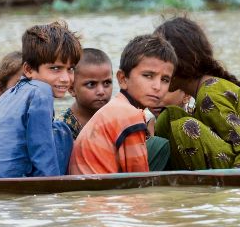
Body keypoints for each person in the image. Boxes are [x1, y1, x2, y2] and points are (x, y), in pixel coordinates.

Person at [153, 16, 240, 170]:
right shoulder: (205, 91)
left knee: (185, 127)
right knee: (168, 118)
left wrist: (228, 194)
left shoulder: (210, 94)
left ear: (179, 63)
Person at [0, 21, 82, 179]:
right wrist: (54, 195)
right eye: (55, 69)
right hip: (14, 184)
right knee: (61, 131)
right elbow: (42, 151)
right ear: (28, 70)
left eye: (70, 69)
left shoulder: (4, 98)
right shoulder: (41, 91)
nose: (65, 78)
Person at [69, 34, 176, 175]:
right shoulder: (129, 115)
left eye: (165, 79)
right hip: (99, 194)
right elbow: (139, 180)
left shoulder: (116, 107)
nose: (157, 86)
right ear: (123, 78)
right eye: (148, 76)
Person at [58, 48, 113, 139]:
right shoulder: (63, 129)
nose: (101, 91)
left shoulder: (116, 118)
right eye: (91, 84)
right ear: (72, 89)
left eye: (107, 83)